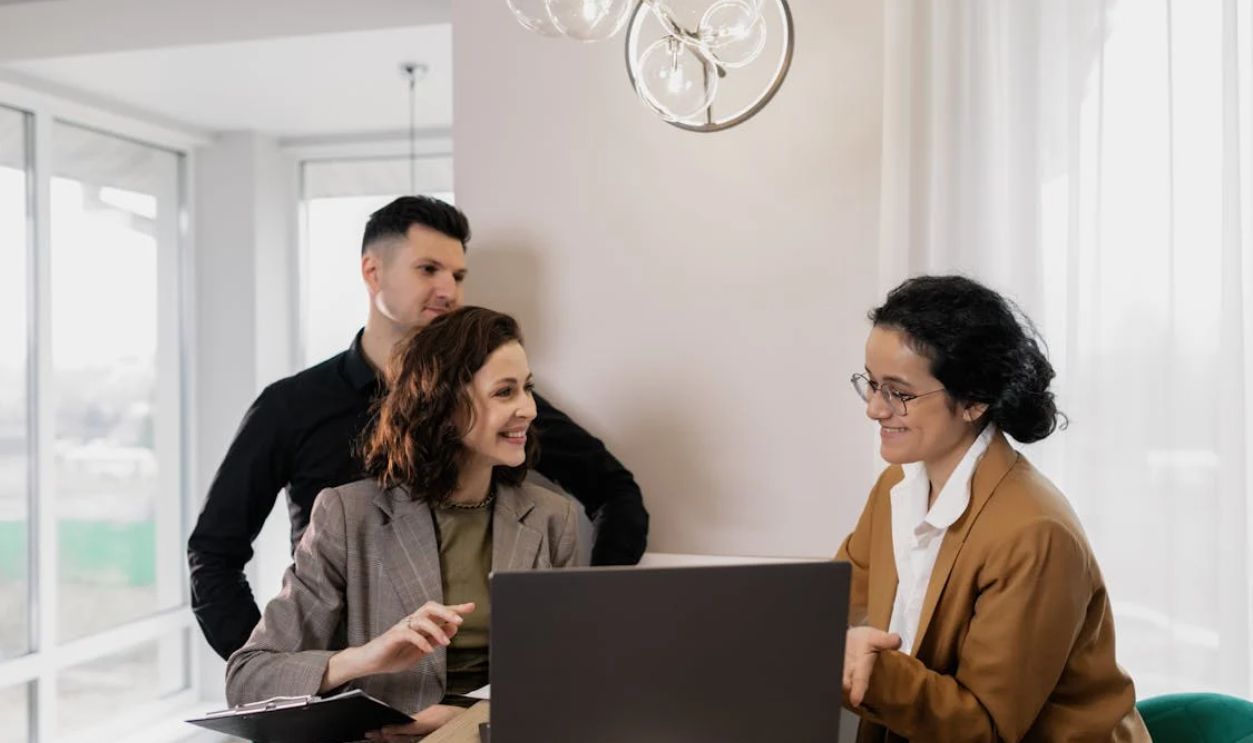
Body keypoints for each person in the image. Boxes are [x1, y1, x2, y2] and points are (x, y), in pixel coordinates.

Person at [189, 196, 647, 661]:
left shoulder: (498, 408)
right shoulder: (291, 406)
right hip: (342, 681)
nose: (449, 290)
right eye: (428, 269)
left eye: (458, 275)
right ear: (373, 272)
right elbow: (213, 553)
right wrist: (278, 678)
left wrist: (586, 610)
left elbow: (615, 492)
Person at [226, 306, 582, 739]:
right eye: (504, 393)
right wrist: (367, 657)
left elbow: (567, 677)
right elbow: (247, 679)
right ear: (444, 404)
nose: (527, 409)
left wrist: (472, 717)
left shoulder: (551, 517)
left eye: (526, 389)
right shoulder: (347, 514)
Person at [837, 276, 1150, 741]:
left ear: (974, 401)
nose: (875, 410)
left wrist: (871, 673)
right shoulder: (893, 492)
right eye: (873, 384)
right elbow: (830, 608)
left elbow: (986, 729)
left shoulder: (1034, 532)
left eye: (898, 393)